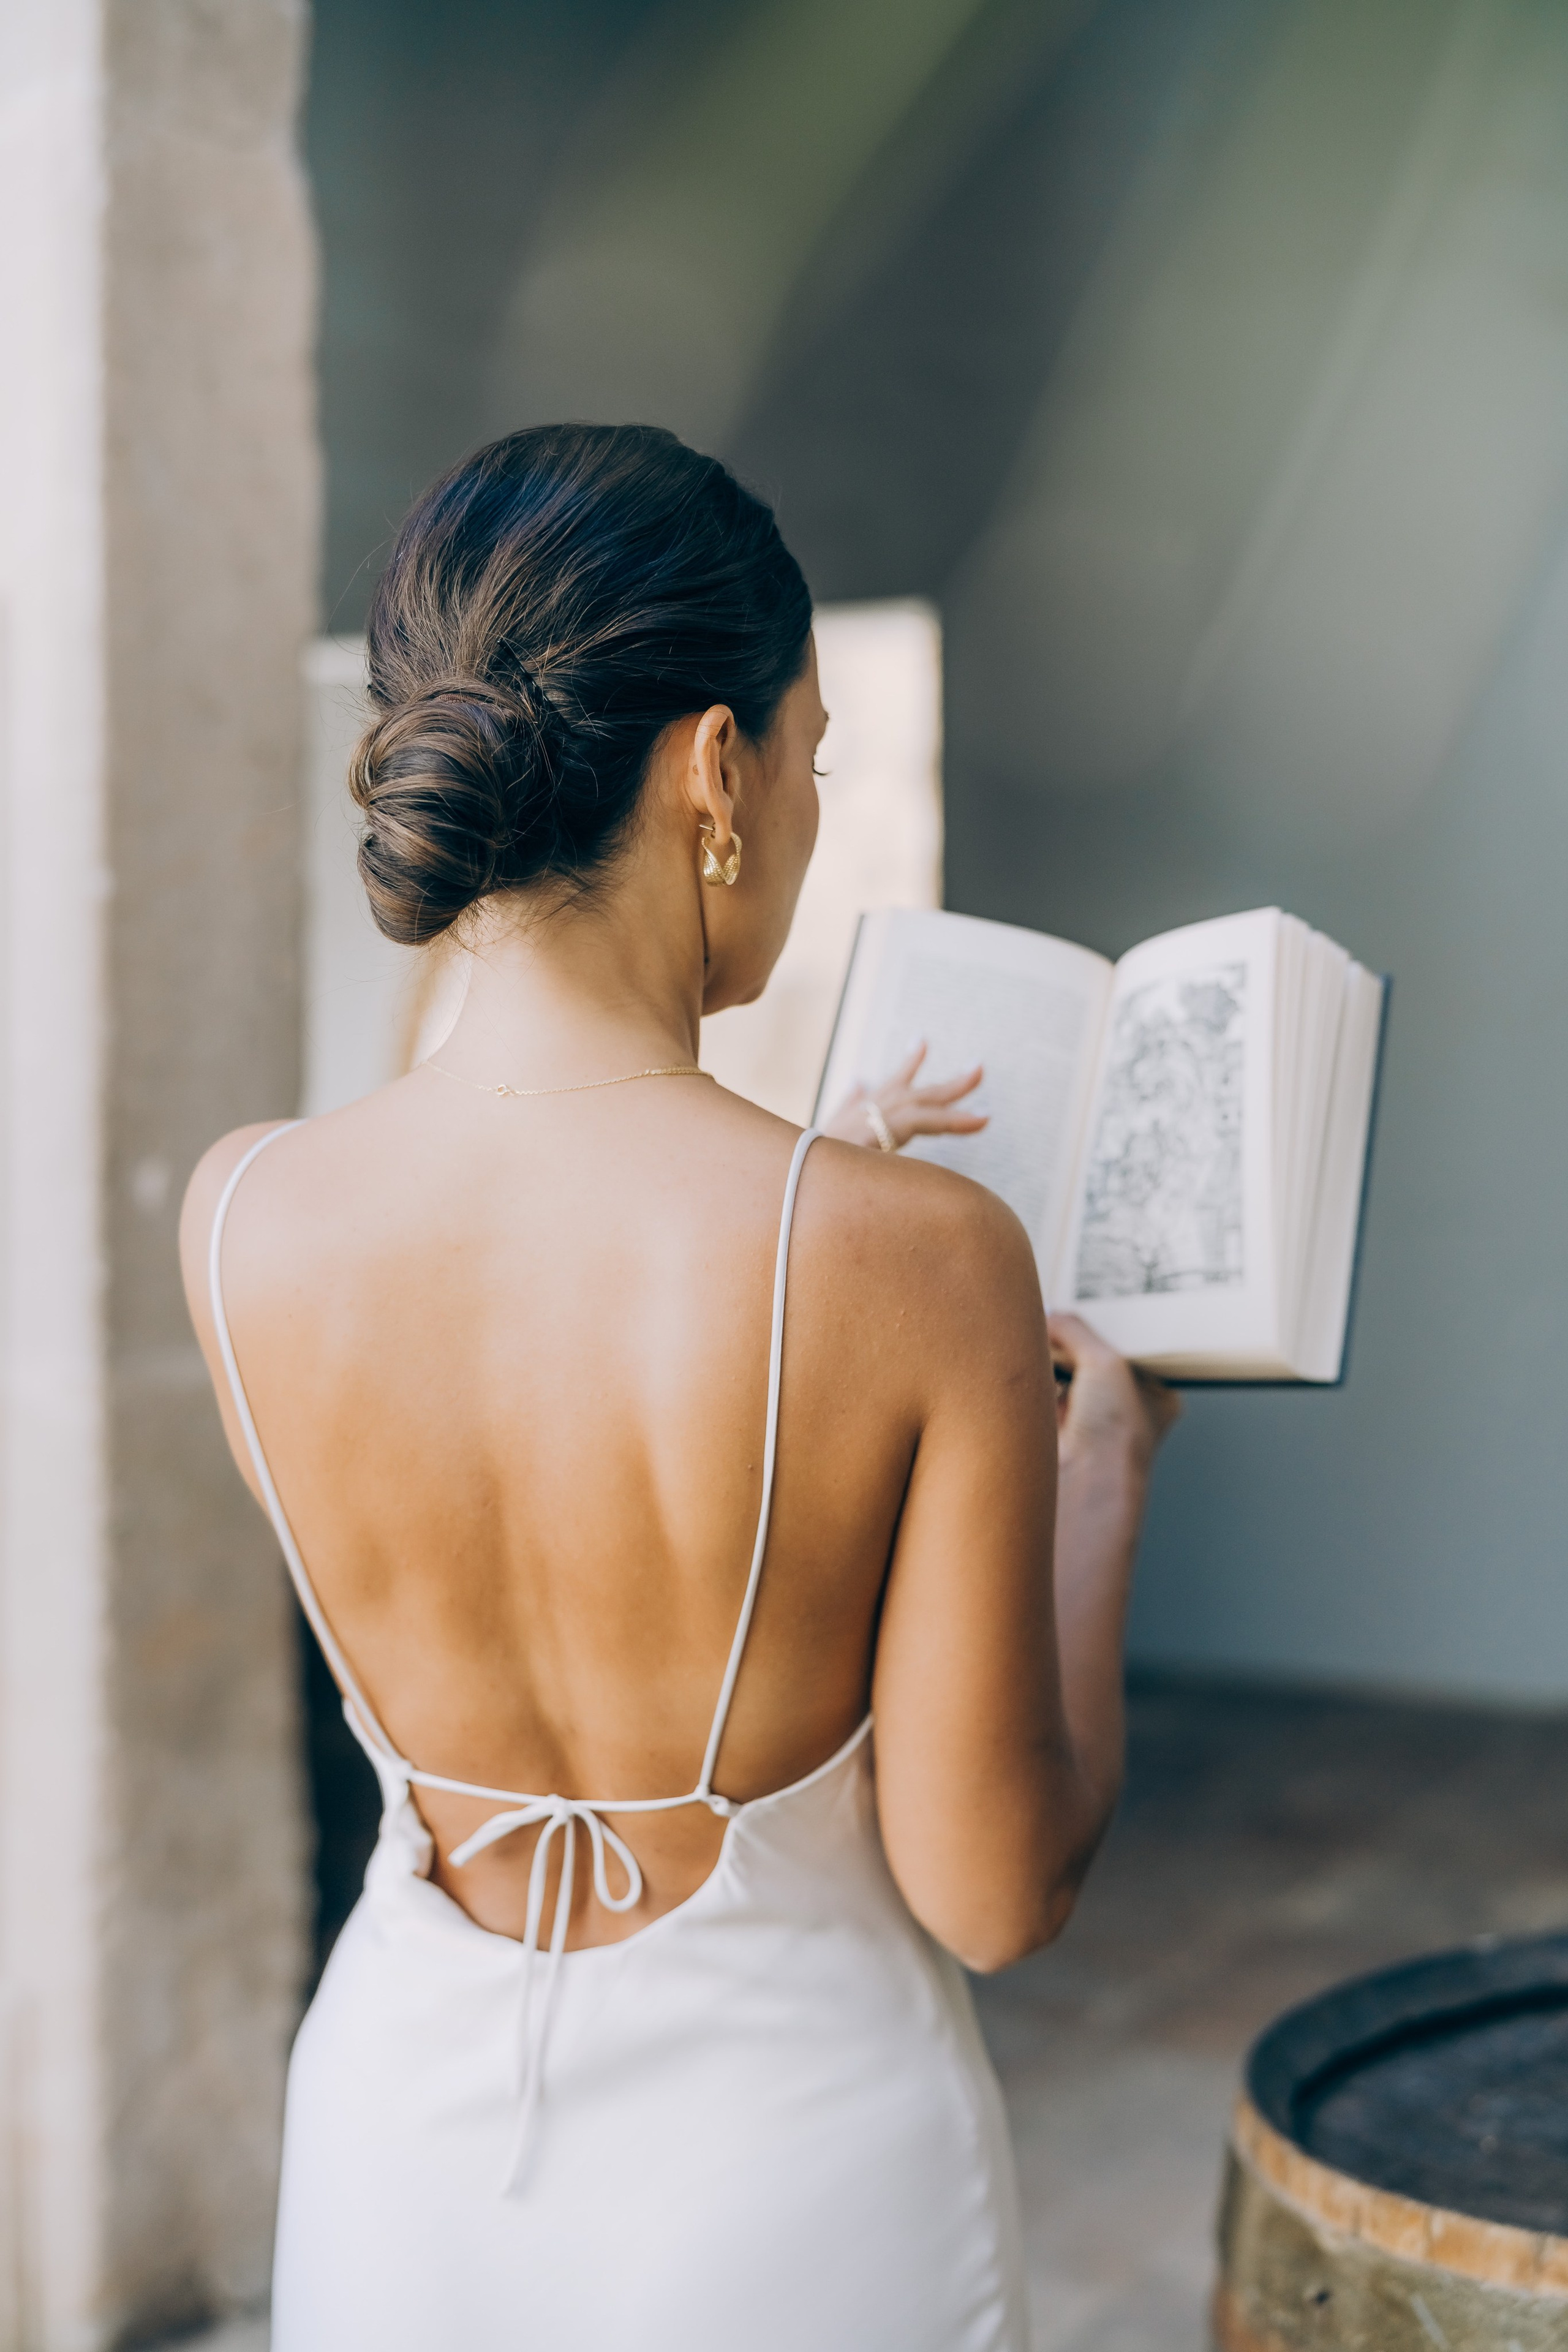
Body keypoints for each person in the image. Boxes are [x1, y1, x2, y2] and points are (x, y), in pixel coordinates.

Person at [181, 424, 1176, 2351]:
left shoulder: (245, 1216)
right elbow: (996, 1890)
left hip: (406, 2172)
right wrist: (1105, 1477)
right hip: (790, 2197)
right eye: (811, 748)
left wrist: (823, 1175)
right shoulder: (918, 1258)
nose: (806, 804)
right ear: (717, 769)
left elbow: (547, 1331)